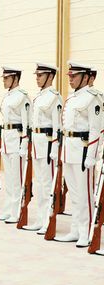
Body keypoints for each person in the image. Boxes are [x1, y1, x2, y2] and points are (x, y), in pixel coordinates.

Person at [54, 62, 101, 248]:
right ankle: (75, 229)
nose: (70, 79)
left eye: (74, 76)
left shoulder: (92, 98)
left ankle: (86, 231)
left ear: (85, 77)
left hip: (82, 150)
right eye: (70, 76)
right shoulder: (72, 98)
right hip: (69, 150)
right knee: (74, 193)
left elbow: (96, 129)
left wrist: (91, 155)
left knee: (84, 194)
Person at [22, 63, 62, 234]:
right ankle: (40, 219)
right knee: (39, 183)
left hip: (47, 144)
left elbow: (57, 126)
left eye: (40, 75)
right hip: (37, 144)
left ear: (50, 77)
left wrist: (54, 148)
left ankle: (48, 220)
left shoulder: (54, 97)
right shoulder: (38, 97)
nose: (37, 78)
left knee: (47, 184)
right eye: (36, 75)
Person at [0, 67, 31, 224]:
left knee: (17, 178)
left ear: (15, 78)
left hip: (17, 140)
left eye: (6, 78)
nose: (3, 80)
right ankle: (8, 209)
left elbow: (27, 123)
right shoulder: (7, 96)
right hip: (7, 140)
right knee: (8, 178)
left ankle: (17, 212)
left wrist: (24, 143)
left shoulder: (23, 97)